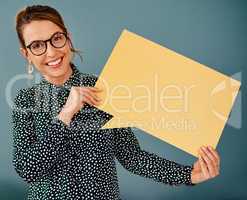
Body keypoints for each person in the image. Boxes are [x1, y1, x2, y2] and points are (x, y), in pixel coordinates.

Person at [12, 5, 220, 200]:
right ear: (26, 54)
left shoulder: (104, 90)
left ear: (68, 38)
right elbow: (27, 170)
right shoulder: (26, 100)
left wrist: (189, 175)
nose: (51, 52)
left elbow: (131, 157)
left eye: (56, 38)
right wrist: (66, 114)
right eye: (37, 45)